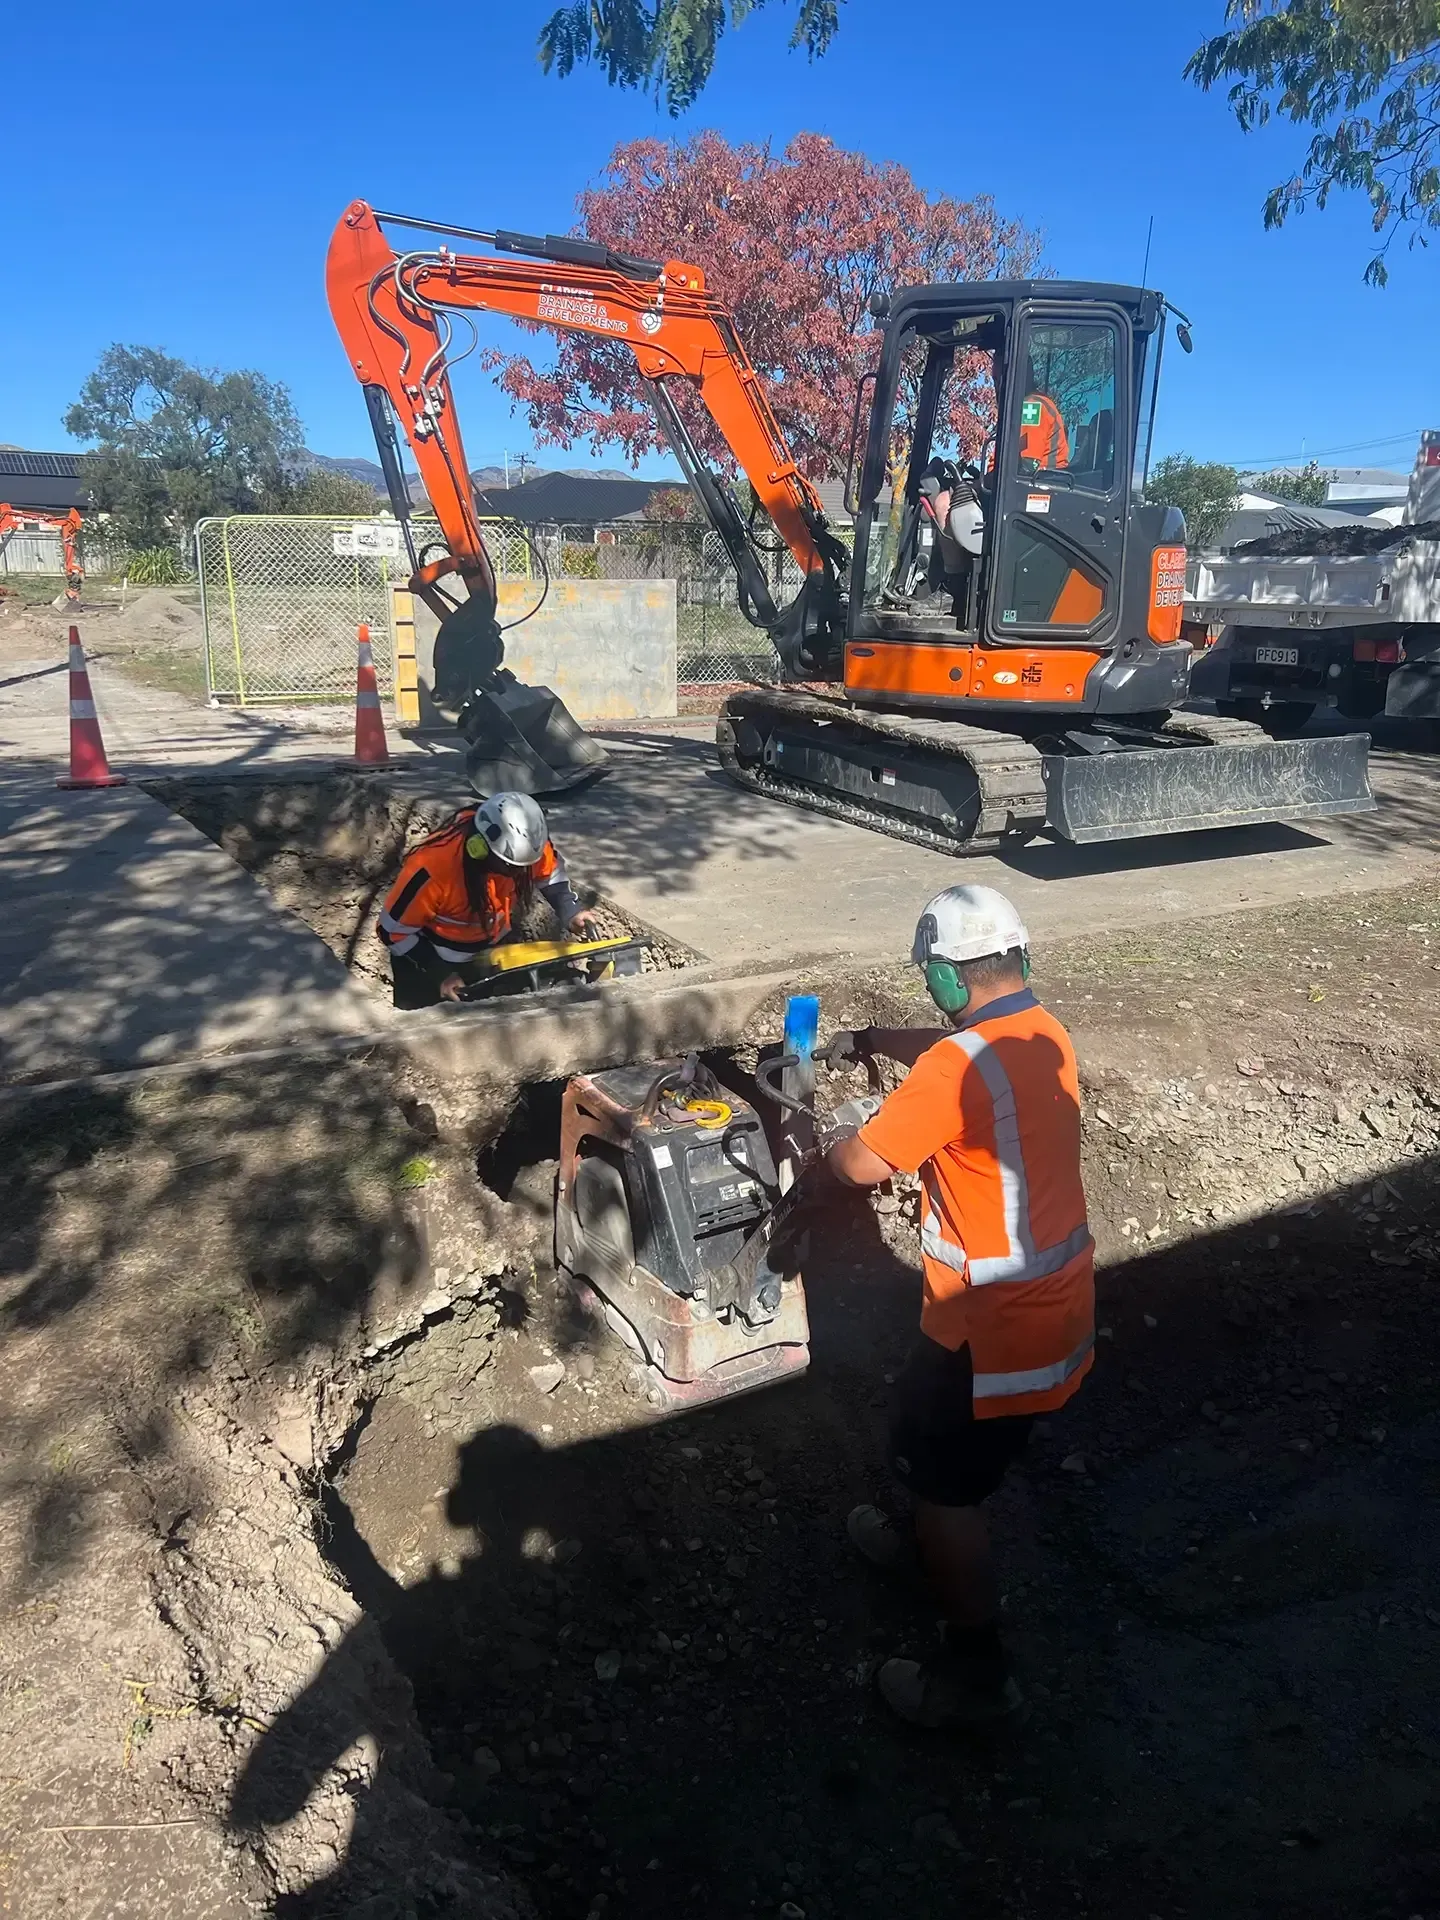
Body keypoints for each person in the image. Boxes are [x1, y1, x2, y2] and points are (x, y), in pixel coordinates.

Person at [815, 884, 1094, 1728]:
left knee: (946, 1487)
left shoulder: (954, 1069)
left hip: (989, 1330)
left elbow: (862, 1165)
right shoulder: (1042, 1035)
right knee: (934, 1445)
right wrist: (870, 1041)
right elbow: (956, 1052)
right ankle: (922, 1546)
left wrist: (828, 1143)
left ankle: (977, 1679)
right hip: (1051, 1308)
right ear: (1018, 957)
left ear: (943, 975)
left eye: (928, 977)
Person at [377, 792, 595, 1009]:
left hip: (482, 956)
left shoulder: (527, 848)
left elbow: (549, 871)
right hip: (425, 963)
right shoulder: (433, 868)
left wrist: (570, 910)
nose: (520, 873)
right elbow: (390, 930)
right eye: (510, 867)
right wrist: (440, 974)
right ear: (479, 848)